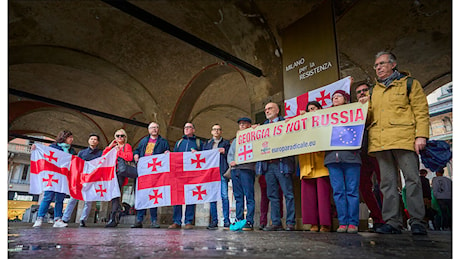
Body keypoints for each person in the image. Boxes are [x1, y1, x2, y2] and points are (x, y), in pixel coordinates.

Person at [361, 51, 430, 235]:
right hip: (380, 142)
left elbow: (421, 111)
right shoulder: (373, 91)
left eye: (382, 64)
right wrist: (361, 107)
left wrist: (421, 136)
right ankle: (392, 222)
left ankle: (417, 222)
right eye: (376, 66)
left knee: (412, 180)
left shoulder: (410, 84)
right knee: (387, 184)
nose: (378, 68)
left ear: (393, 64)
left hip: (404, 138)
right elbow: (367, 118)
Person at [324, 90, 362, 234]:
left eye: (338, 96)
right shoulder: (325, 117)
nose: (335, 98)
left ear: (346, 100)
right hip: (332, 158)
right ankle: (343, 222)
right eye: (333, 97)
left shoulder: (354, 112)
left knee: (352, 191)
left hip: (351, 157)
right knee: (338, 191)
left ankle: (353, 222)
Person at [256, 102, 296, 231]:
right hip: (269, 166)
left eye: (270, 108)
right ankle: (276, 222)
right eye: (266, 109)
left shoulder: (286, 123)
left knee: (288, 194)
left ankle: (290, 222)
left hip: (282, 163)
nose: (267, 111)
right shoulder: (262, 128)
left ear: (277, 110)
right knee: (272, 195)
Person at [354, 81, 384, 231]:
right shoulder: (353, 111)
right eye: (359, 92)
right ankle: (378, 217)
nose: (362, 93)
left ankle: (390, 218)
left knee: (384, 183)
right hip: (362, 153)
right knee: (363, 186)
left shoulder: (377, 105)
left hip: (378, 149)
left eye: (365, 90)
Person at [298, 101, 332, 232]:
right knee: (308, 197)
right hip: (306, 163)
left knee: (323, 196)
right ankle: (313, 223)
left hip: (320, 163)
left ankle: (325, 224)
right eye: (308, 109)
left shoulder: (325, 122)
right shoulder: (302, 124)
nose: (310, 111)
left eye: (313, 108)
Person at [33, 130, 76, 228]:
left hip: (64, 176)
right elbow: (44, 155)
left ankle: (57, 219)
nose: (72, 139)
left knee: (60, 198)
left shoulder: (71, 150)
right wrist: (36, 149)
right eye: (70, 137)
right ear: (64, 137)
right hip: (52, 176)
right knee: (48, 197)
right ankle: (39, 218)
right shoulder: (53, 147)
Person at [131, 122, 170, 228]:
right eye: (152, 128)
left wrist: (167, 152)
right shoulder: (144, 141)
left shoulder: (163, 141)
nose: (154, 129)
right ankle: (139, 219)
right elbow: (138, 150)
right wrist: (136, 154)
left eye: (156, 127)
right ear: (148, 130)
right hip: (144, 172)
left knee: (154, 195)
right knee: (142, 195)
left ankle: (154, 220)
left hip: (156, 173)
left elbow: (167, 151)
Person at [168, 122, 204, 229]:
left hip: (192, 174)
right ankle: (176, 221)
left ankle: (188, 221)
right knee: (177, 197)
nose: (187, 129)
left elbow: (204, 157)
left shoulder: (198, 143)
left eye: (189, 127)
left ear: (193, 130)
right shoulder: (179, 143)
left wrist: (198, 153)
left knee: (191, 197)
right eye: (185, 127)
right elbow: (174, 158)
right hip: (179, 173)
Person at [62, 133, 103, 227]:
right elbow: (76, 166)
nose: (93, 140)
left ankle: (83, 219)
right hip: (81, 178)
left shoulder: (100, 153)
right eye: (91, 139)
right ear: (88, 141)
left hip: (92, 179)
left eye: (95, 139)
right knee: (73, 198)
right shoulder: (82, 153)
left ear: (98, 142)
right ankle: (65, 218)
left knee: (88, 200)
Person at [227, 117, 256, 231]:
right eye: (240, 124)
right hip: (235, 170)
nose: (242, 125)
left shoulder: (253, 136)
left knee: (249, 196)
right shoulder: (235, 140)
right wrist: (231, 162)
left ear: (249, 125)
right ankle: (239, 219)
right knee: (238, 196)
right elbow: (230, 154)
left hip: (247, 169)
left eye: (244, 124)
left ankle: (249, 221)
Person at [103, 129, 134, 228]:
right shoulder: (113, 147)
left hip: (120, 173)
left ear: (125, 137)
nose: (120, 138)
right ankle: (116, 214)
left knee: (115, 194)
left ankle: (113, 217)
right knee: (114, 195)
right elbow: (104, 156)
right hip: (111, 173)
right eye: (117, 136)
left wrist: (118, 152)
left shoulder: (126, 146)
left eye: (122, 136)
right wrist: (110, 147)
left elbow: (129, 157)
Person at [203, 123, 231, 230]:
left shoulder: (226, 143)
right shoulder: (208, 144)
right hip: (211, 174)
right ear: (211, 132)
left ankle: (226, 220)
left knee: (224, 196)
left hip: (222, 172)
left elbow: (231, 154)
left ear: (221, 132)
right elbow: (203, 157)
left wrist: (225, 152)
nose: (216, 131)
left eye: (218, 129)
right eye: (214, 129)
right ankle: (214, 220)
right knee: (212, 198)